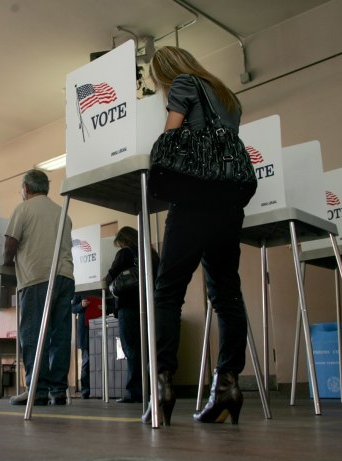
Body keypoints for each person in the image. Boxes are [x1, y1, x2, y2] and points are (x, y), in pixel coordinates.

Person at [145, 46, 250, 425]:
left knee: (168, 291)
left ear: (165, 72)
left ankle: (162, 385)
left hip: (194, 198)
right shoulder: (226, 94)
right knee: (227, 293)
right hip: (229, 202)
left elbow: (172, 135)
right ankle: (228, 386)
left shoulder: (184, 83)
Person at [4, 169, 75, 406]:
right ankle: (58, 390)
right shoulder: (62, 213)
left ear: (26, 188)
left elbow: (11, 243)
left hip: (37, 278)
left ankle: (37, 389)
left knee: (33, 335)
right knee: (60, 336)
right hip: (65, 277)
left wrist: (6, 262)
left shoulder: (23, 209)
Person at [104, 226, 159, 404]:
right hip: (150, 306)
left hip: (129, 306)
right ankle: (152, 390)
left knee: (132, 349)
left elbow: (110, 278)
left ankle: (135, 392)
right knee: (149, 349)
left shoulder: (125, 253)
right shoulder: (152, 254)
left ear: (124, 241)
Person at [71, 294, 102, 399]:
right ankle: (86, 390)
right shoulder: (80, 290)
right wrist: (81, 305)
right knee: (87, 360)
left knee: (100, 359)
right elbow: (73, 308)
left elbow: (112, 305)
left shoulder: (101, 289)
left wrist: (105, 307)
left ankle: (99, 388)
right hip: (85, 329)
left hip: (99, 326)